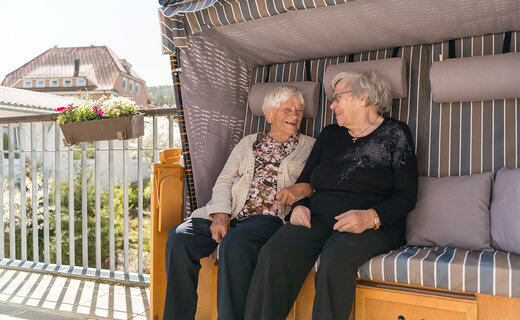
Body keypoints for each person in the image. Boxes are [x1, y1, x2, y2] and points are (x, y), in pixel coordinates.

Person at [245, 72, 418, 320]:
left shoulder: (396, 133)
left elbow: (407, 195)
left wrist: (371, 217)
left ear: (364, 97)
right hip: (317, 216)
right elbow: (304, 182)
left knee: (335, 259)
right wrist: (300, 206)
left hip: (373, 224)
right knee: (276, 251)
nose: (332, 105)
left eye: (338, 98)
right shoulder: (330, 134)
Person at [163, 86, 316, 320]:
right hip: (233, 213)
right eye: (287, 109)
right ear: (269, 113)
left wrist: (302, 190)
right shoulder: (248, 142)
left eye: (299, 110)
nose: (295, 116)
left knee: (233, 244)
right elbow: (225, 179)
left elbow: (317, 184)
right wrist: (221, 213)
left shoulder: (310, 146)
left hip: (269, 218)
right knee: (179, 237)